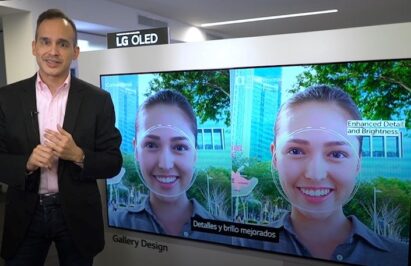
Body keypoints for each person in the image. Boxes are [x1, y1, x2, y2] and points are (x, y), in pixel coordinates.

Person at [0, 9, 122, 266]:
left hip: (77, 216)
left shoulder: (98, 100)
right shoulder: (7, 98)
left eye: (62, 44)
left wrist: (78, 155)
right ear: (34, 47)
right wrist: (26, 163)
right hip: (25, 214)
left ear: (75, 52)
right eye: (45, 42)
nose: (53, 51)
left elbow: (113, 162)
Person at [237, 85, 408, 266]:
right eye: (296, 151)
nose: (315, 174)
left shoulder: (399, 258)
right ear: (275, 157)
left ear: (358, 162)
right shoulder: (241, 247)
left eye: (336, 154)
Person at [109, 89, 231, 244]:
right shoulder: (116, 223)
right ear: (136, 151)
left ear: (195, 154)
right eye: (151, 145)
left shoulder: (223, 234)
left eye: (179, 147)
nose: (165, 165)